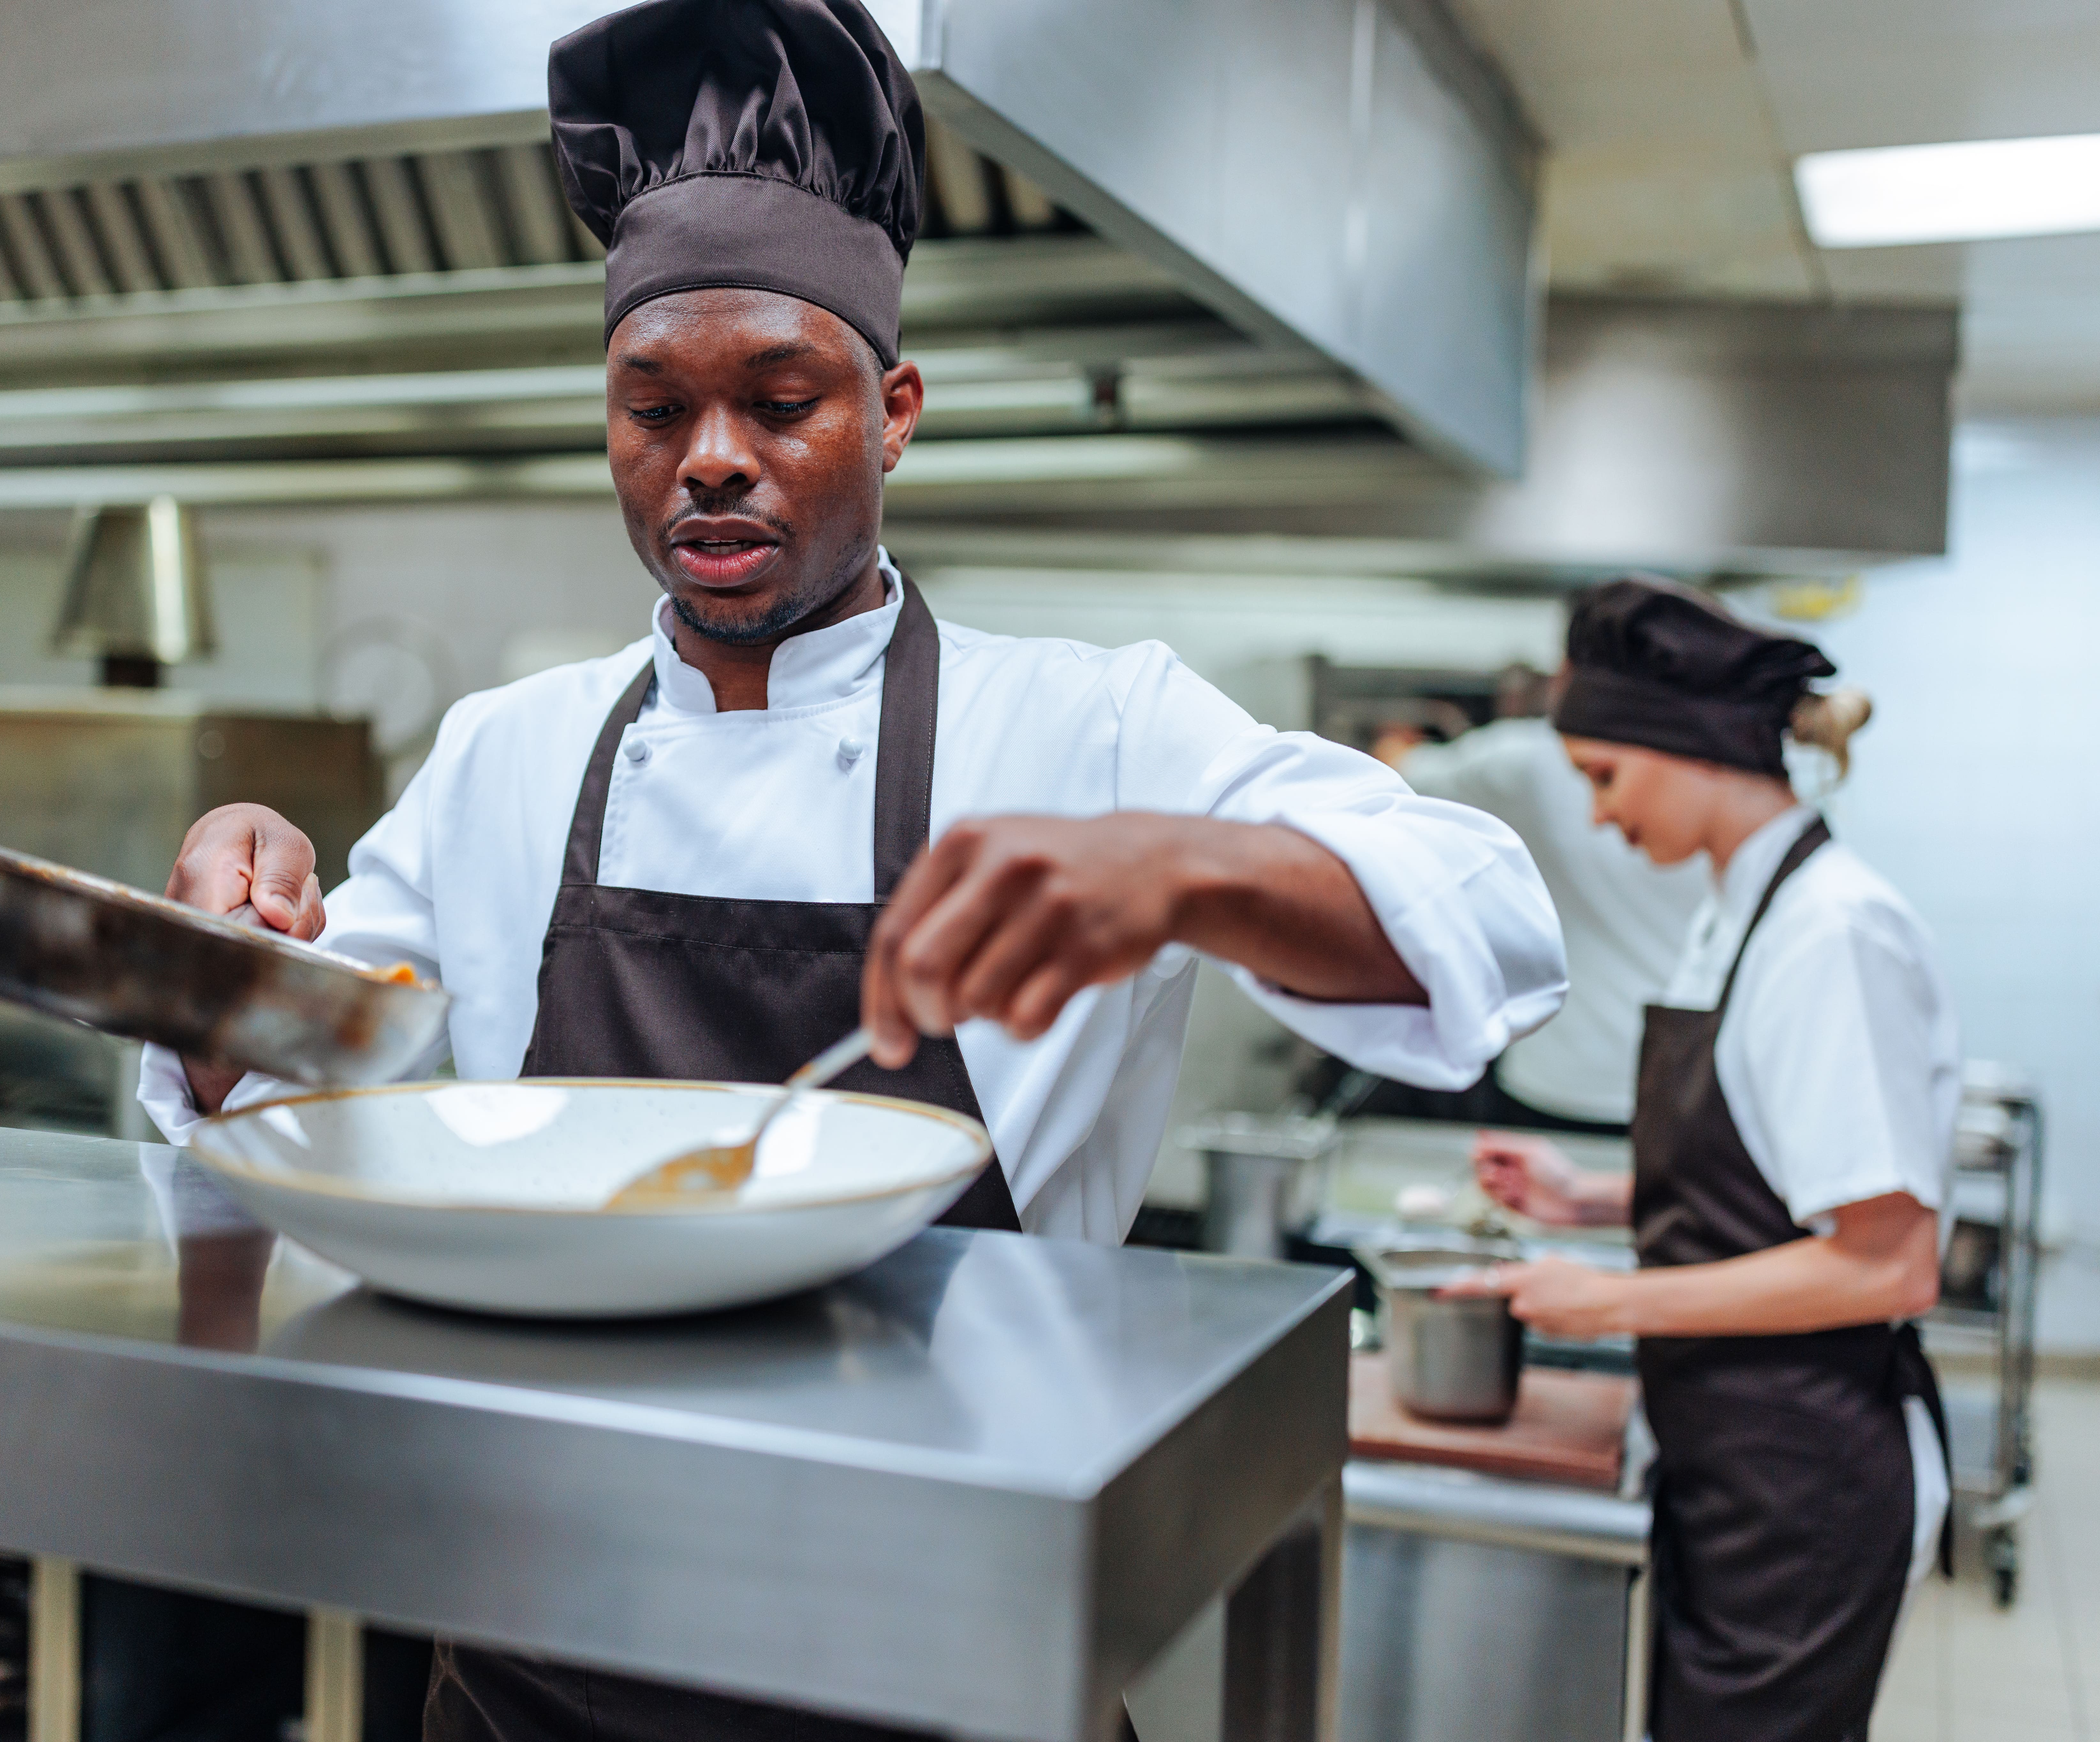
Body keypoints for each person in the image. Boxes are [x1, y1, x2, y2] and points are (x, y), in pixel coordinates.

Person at [143, 2, 1565, 1735]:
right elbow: (303, 1070)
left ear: (894, 410)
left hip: (948, 1651)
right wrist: (220, 951)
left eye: (781, 397)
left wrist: (1191, 869)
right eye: (653, 406)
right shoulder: (508, 749)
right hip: (534, 1650)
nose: (712, 456)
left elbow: (1487, 916)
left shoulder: (1093, 725)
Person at [1460, 575, 1957, 1742]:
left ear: (1683, 747)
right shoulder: (1735, 908)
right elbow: (1780, 1178)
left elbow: (1888, 1264)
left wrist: (1612, 1299)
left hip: (1806, 1478)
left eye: (1602, 777)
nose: (1594, 817)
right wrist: (1589, 1199)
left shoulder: (1831, 930)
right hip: (1729, 1450)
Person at [1374, 667, 1705, 1131]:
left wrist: (1396, 738)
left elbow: (1395, 773)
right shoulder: (1715, 777)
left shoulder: (1531, 759)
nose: (1599, 815)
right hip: (1685, 1080)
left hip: (1562, 1074)